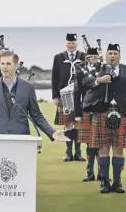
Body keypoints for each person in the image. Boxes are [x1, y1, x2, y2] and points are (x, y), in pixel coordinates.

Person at [82, 43, 126, 193]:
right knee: (103, 149)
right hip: (101, 113)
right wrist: (99, 80)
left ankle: (117, 182)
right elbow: (85, 83)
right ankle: (105, 183)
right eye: (110, 53)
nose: (112, 56)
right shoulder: (97, 69)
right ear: (106, 56)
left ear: (119, 56)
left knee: (118, 149)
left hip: (121, 113)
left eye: (115, 53)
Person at [51, 33, 86, 161]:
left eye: (73, 43)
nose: (71, 45)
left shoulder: (83, 56)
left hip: (79, 96)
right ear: (66, 43)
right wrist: (55, 96)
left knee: (78, 124)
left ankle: (78, 153)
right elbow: (54, 78)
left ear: (77, 44)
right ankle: (68, 153)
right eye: (69, 43)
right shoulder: (59, 58)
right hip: (64, 96)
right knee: (68, 124)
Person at [73, 47, 102, 182]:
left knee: (101, 143)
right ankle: (90, 173)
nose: (91, 59)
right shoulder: (80, 72)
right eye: (89, 57)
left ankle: (102, 172)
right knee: (89, 144)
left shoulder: (104, 70)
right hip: (86, 110)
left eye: (93, 57)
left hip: (101, 110)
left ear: (98, 57)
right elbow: (76, 93)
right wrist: (77, 114)